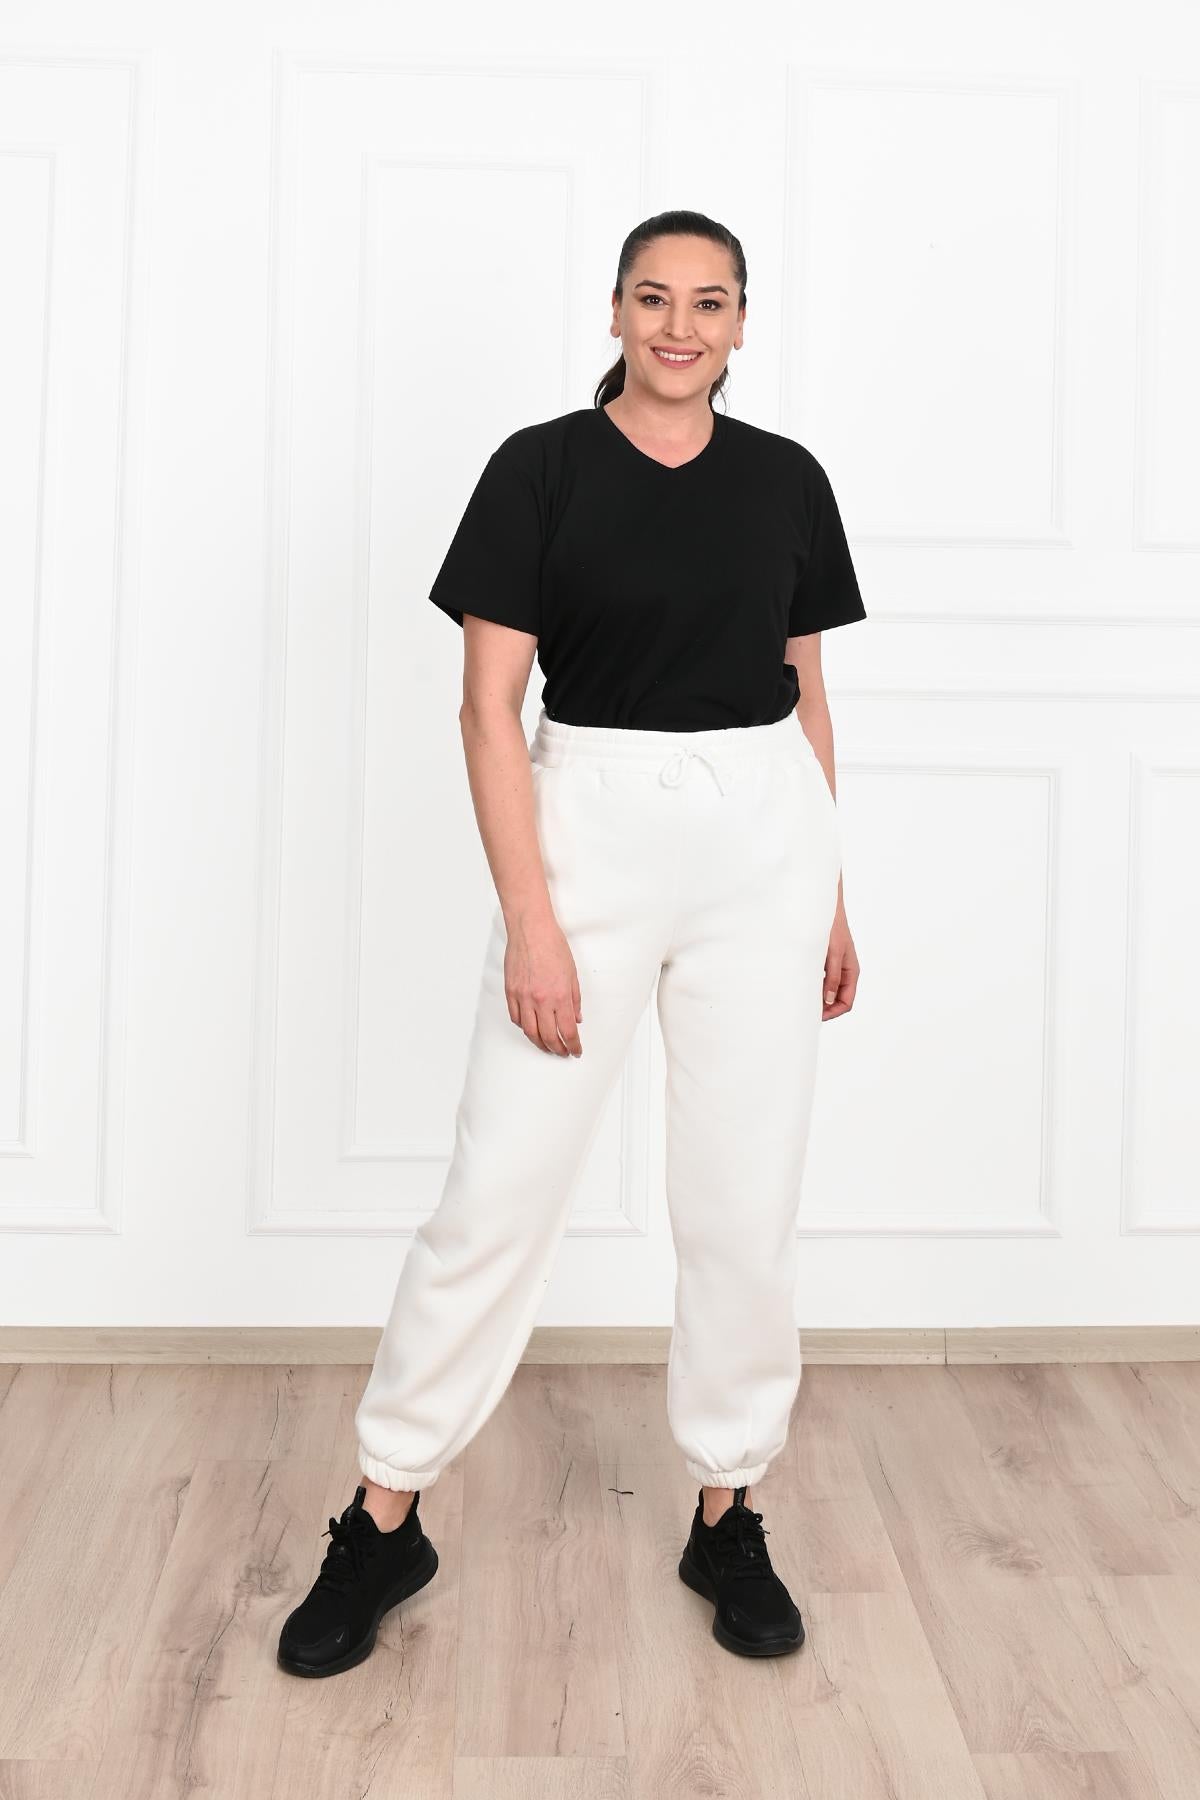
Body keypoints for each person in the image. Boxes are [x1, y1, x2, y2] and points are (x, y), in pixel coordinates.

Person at [278, 208, 865, 1678]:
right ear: (613, 312)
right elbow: (488, 708)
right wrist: (534, 923)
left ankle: (728, 1507)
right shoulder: (538, 470)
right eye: (654, 297)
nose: (680, 325)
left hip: (764, 842)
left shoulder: (788, 480)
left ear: (744, 324)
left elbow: (804, 693)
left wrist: (832, 892)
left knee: (743, 1200)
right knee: (497, 1193)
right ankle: (384, 1513)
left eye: (710, 302)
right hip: (589, 830)